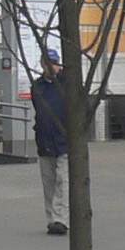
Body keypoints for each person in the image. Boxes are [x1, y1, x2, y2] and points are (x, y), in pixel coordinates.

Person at [32, 49, 70, 237]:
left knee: (63, 182)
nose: (51, 67)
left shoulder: (67, 84)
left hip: (64, 141)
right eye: (47, 63)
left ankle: (60, 219)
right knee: (49, 183)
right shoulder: (38, 86)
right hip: (45, 140)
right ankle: (51, 220)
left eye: (54, 63)